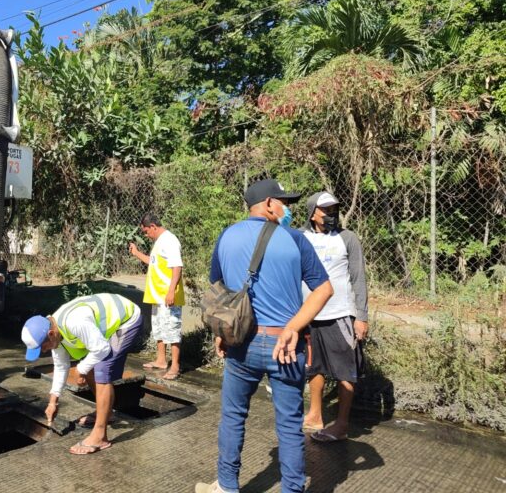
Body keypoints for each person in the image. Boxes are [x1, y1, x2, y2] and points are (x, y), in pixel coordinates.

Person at [195, 178, 333, 493]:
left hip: (241, 343)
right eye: (284, 202)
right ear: (269, 204)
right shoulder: (295, 239)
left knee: (232, 416)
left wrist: (222, 331)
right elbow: (324, 290)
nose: (287, 209)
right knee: (289, 425)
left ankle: (227, 486)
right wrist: (293, 328)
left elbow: (221, 290)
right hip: (285, 347)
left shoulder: (226, 236)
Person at [21, 292, 142, 455]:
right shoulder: (55, 333)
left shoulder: (74, 323)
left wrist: (81, 370)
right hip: (105, 327)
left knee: (102, 369)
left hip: (126, 319)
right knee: (91, 365)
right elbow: (61, 366)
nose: (43, 351)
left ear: (50, 334)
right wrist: (53, 401)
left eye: (42, 347)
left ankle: (100, 436)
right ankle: (106, 413)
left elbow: (102, 349)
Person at [302, 191, 368, 442]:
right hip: (308, 314)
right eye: (325, 210)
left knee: (344, 370)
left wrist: (361, 316)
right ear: (312, 213)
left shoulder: (347, 238)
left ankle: (341, 425)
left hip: (339, 313)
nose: (330, 214)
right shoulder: (300, 237)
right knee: (313, 367)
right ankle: (315, 415)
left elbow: (358, 278)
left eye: (333, 210)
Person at [128, 212, 184, 380]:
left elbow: (177, 267)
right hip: (157, 295)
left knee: (172, 329)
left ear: (153, 226)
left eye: (146, 231)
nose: (146, 235)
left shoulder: (170, 240)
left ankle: (175, 365)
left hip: (168, 295)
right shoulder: (159, 242)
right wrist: (137, 253)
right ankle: (161, 360)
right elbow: (153, 262)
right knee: (159, 328)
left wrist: (171, 291)